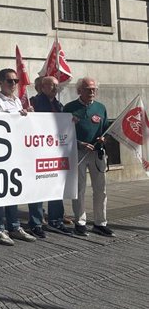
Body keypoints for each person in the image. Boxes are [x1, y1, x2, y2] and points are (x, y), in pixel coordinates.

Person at [0, 69, 36, 245]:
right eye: (10, 81)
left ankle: (14, 226)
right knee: (0, 192)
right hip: (0, 155)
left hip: (16, 153)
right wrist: (17, 116)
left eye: (16, 81)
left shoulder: (17, 101)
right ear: (1, 82)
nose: (14, 84)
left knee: (12, 191)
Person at [64, 77, 114, 237]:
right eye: (87, 89)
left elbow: (106, 130)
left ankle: (100, 223)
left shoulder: (101, 107)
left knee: (101, 189)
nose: (91, 92)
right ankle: (80, 222)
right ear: (79, 91)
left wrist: (103, 139)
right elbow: (63, 132)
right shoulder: (69, 108)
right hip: (78, 152)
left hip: (97, 153)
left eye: (93, 89)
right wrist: (80, 143)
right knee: (79, 188)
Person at [28, 76, 72, 237]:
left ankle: (56, 220)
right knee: (38, 188)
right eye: (52, 85)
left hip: (55, 152)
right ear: (42, 87)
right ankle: (36, 222)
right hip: (38, 152)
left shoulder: (59, 105)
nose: (55, 88)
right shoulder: (34, 102)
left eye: (56, 85)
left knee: (56, 186)